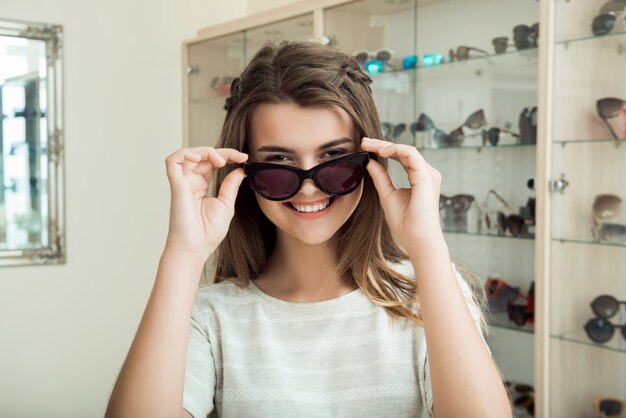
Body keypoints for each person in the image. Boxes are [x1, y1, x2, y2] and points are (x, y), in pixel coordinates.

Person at [105, 40, 513, 418]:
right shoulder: (210, 317)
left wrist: (427, 246)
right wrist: (183, 253)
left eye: (334, 159)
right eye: (279, 165)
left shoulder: (431, 292)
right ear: (244, 174)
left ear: (371, 159)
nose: (309, 186)